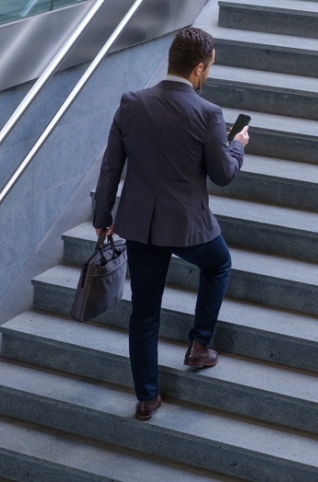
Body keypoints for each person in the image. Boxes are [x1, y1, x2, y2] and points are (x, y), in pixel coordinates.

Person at [92, 27, 249, 422]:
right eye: (209, 67)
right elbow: (223, 174)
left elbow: (111, 167)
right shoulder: (209, 113)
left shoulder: (132, 103)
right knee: (219, 264)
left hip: (141, 226)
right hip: (187, 226)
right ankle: (199, 345)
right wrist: (237, 146)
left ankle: (147, 399)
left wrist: (102, 218)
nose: (208, 73)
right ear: (198, 69)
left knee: (144, 313)